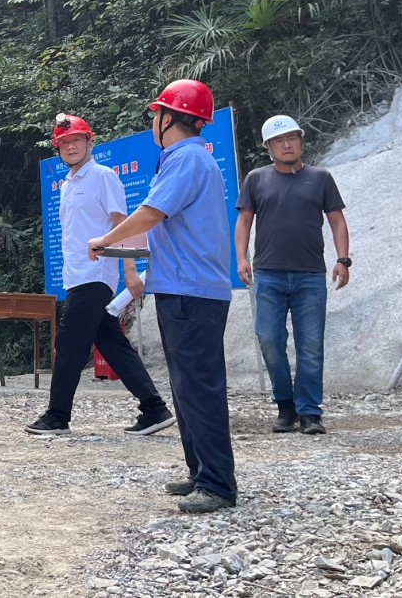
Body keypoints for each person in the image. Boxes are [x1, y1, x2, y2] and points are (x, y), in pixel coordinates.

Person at [88, 80, 236, 513]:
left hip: (191, 291)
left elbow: (151, 214)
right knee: (186, 385)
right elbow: (165, 230)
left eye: (156, 115)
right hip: (184, 287)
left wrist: (106, 239)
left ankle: (217, 484)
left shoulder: (186, 159)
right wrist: (122, 251)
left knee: (199, 386)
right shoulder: (189, 159)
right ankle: (201, 472)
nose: (154, 121)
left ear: (169, 118)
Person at [25, 114, 174, 437]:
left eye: (76, 140)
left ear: (90, 142)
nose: (70, 147)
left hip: (96, 275)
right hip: (76, 276)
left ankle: (57, 416)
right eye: (64, 143)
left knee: (68, 343)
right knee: (110, 341)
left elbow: (123, 224)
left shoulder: (103, 176)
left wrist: (130, 271)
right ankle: (154, 409)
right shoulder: (68, 185)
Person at [236, 114, 349, 436]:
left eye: (291, 139)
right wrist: (241, 258)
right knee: (269, 340)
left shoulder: (321, 178)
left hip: (310, 275)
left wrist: (343, 260)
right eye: (278, 141)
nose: (286, 145)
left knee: (311, 345)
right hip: (268, 274)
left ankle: (310, 412)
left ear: (300, 141)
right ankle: (285, 405)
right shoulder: (256, 179)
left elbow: (337, 220)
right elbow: (244, 221)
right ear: (268, 147)